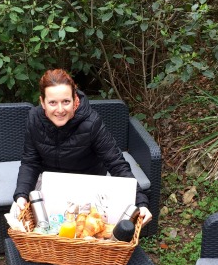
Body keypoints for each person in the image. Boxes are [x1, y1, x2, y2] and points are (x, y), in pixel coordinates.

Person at [13, 68, 152, 225]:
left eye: (66, 101)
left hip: (88, 186)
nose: (60, 110)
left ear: (74, 99)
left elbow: (116, 163)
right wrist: (21, 195)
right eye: (52, 102)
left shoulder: (91, 122)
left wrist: (140, 202)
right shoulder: (34, 119)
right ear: (42, 102)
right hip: (52, 186)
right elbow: (30, 161)